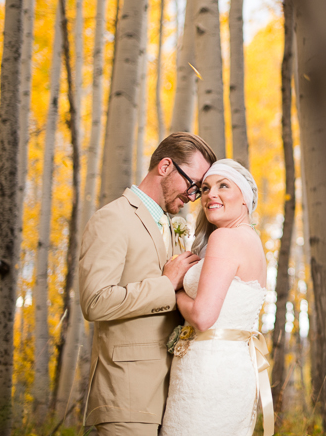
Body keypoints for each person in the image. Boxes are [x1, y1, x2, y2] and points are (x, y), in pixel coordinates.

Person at [78, 132, 216, 436]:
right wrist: (166, 284)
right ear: (165, 166)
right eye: (192, 184)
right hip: (127, 393)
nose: (194, 197)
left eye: (199, 189)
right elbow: (95, 301)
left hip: (176, 394)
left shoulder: (173, 226)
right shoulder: (112, 219)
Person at [160, 159, 273, 436]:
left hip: (207, 372)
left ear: (245, 199)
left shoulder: (226, 238)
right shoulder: (252, 242)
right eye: (206, 187)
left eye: (224, 186)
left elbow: (202, 316)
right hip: (233, 369)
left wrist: (171, 286)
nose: (211, 194)